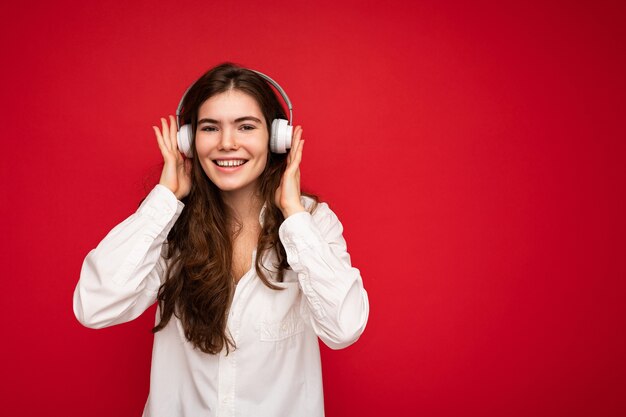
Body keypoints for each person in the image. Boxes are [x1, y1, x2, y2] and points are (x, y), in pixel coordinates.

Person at [72, 63, 369, 417]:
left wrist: (293, 214)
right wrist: (165, 198)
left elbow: (345, 328)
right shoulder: (170, 227)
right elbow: (94, 307)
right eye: (210, 128)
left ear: (277, 139)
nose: (227, 143)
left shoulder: (312, 223)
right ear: (189, 141)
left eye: (246, 126)